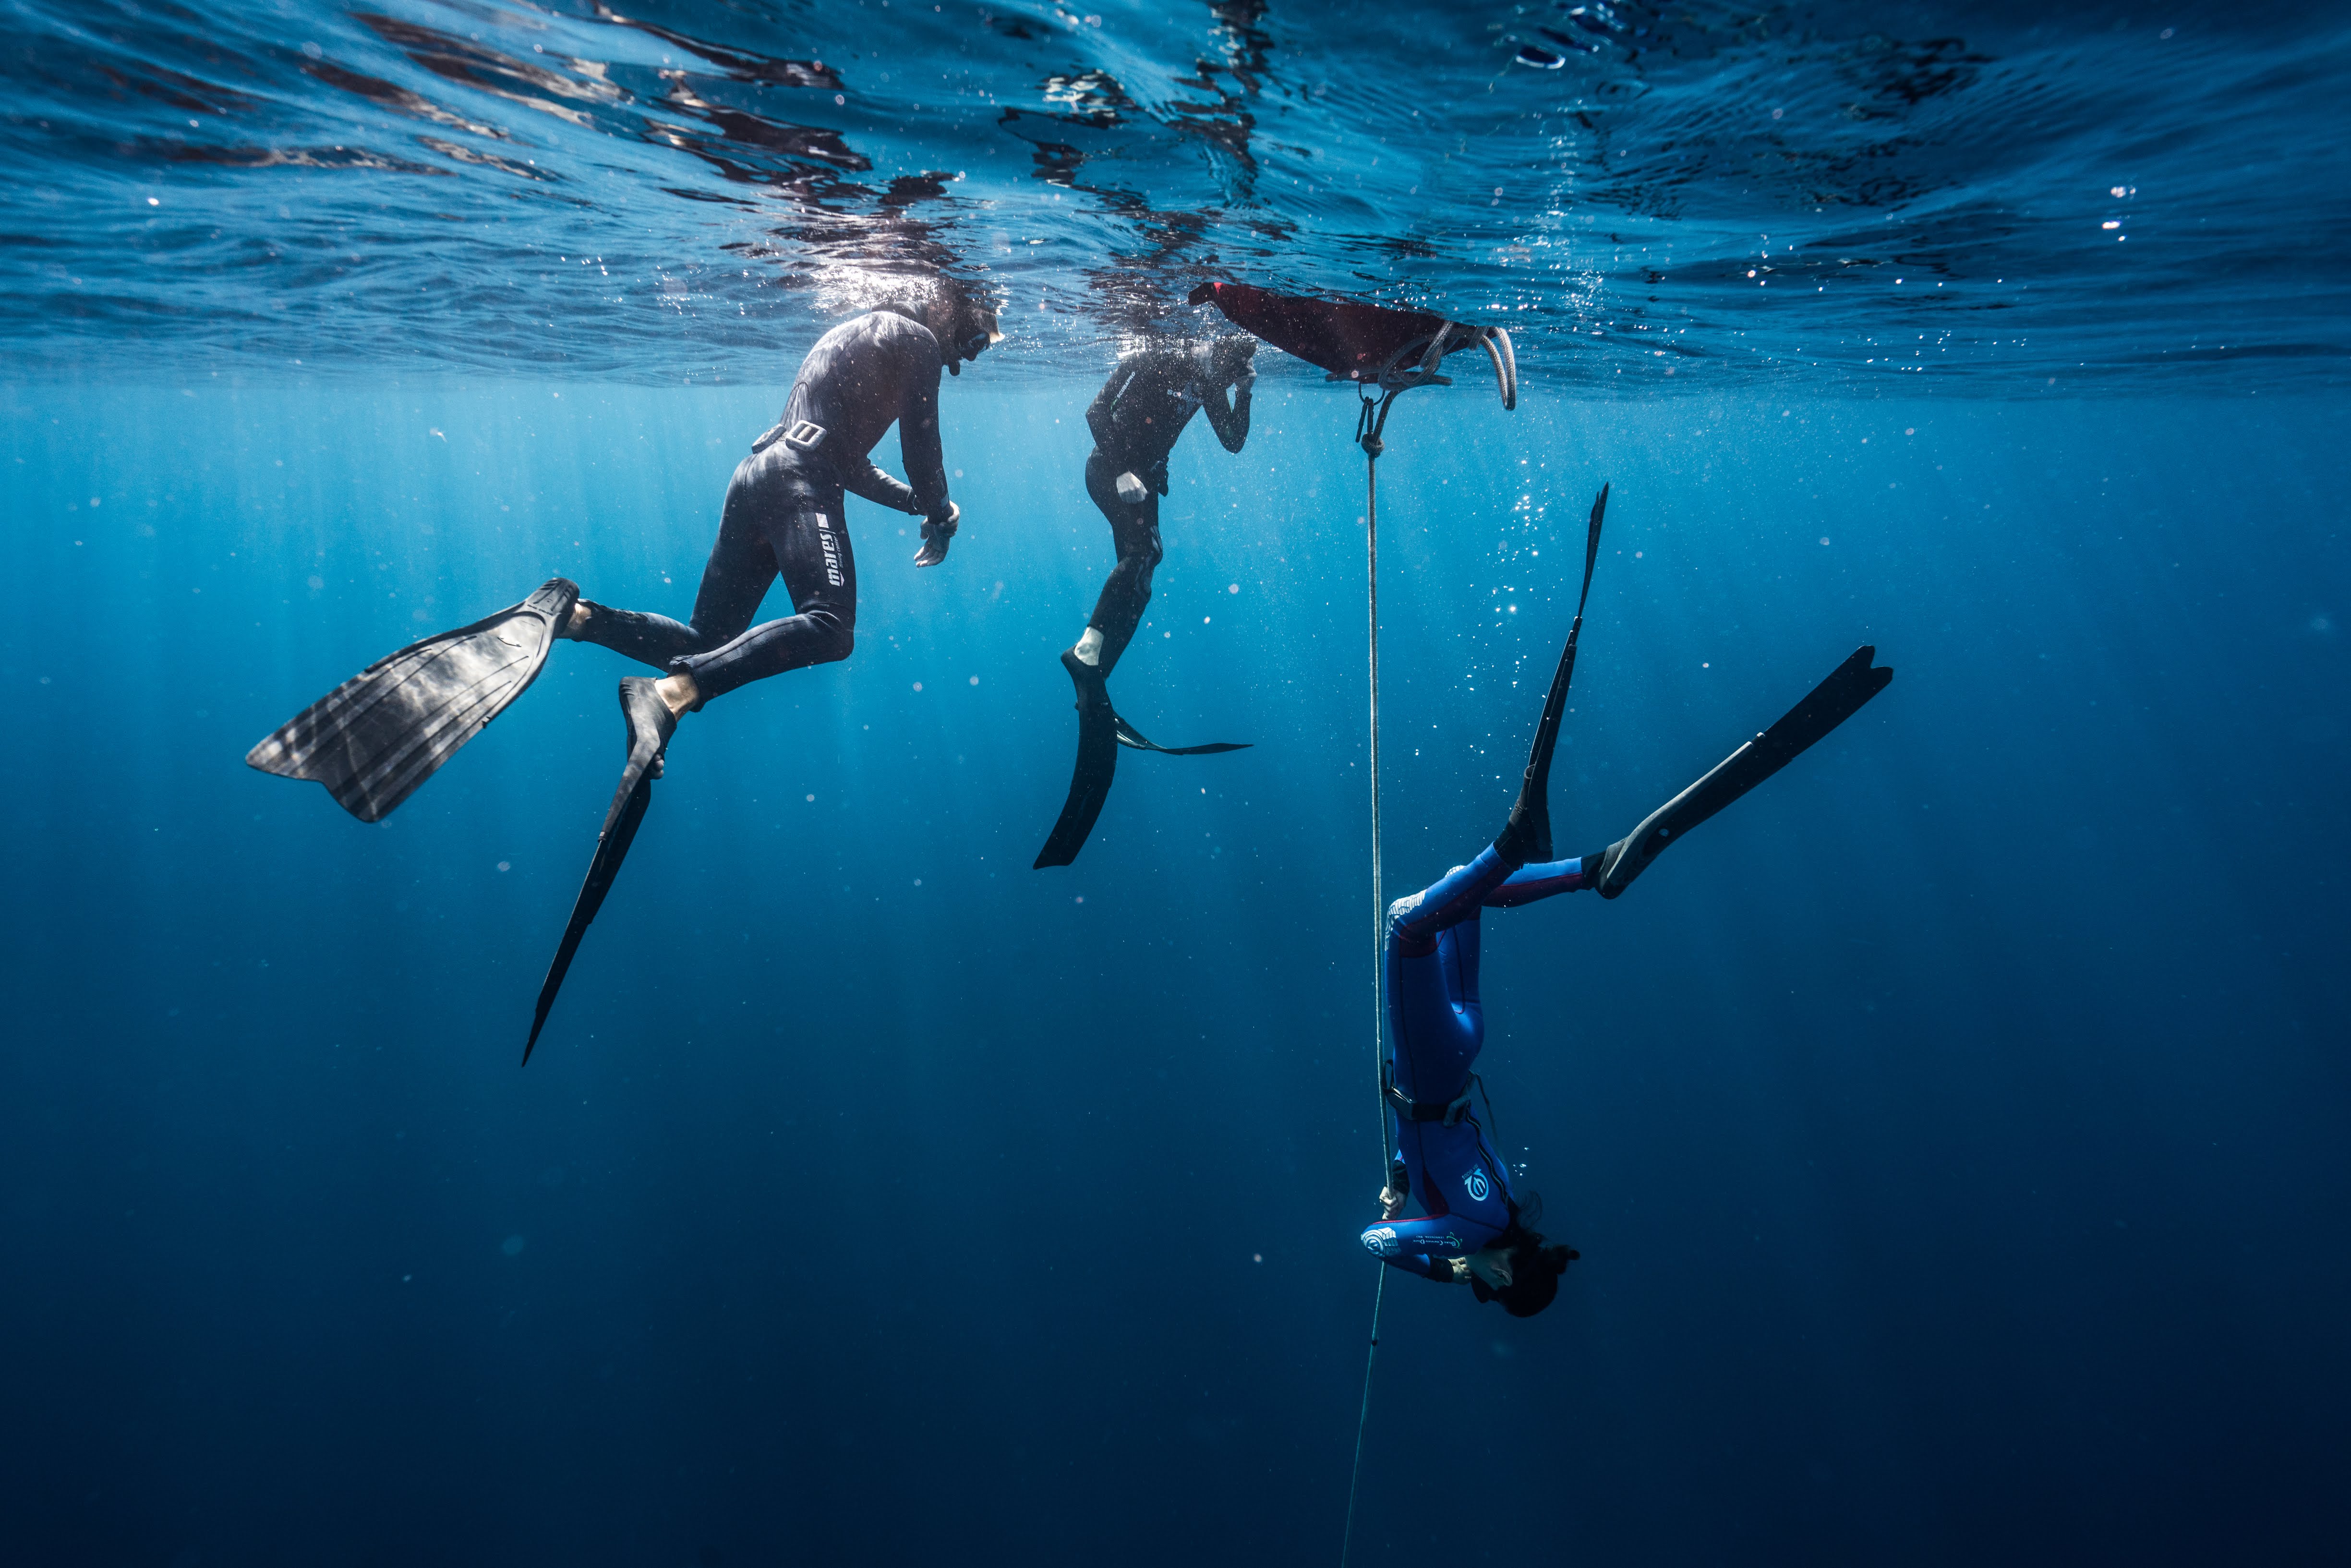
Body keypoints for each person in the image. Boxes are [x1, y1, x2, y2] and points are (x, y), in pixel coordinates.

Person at [1361, 502, 1895, 1314]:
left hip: (1462, 1048)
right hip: (1432, 1064)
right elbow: (1375, 1242)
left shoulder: (1503, 1208)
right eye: (1494, 1288)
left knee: (1451, 898)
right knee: (1408, 922)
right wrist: (1430, 1245)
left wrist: (1412, 1187)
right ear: (1505, 1274)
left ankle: (1590, 868)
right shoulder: (1472, 1240)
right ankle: (1518, 846)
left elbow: (1450, 1172)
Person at [1033, 334, 1256, 868]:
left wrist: (1245, 393)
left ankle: (1096, 672)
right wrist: (1124, 467)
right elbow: (1094, 411)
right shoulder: (1156, 356)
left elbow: (1232, 439)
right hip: (1108, 471)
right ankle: (1086, 652)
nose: (1222, 383)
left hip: (1144, 481)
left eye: (1231, 378)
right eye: (1229, 374)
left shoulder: (1206, 378)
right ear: (1214, 352)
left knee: (1142, 577)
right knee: (1142, 555)